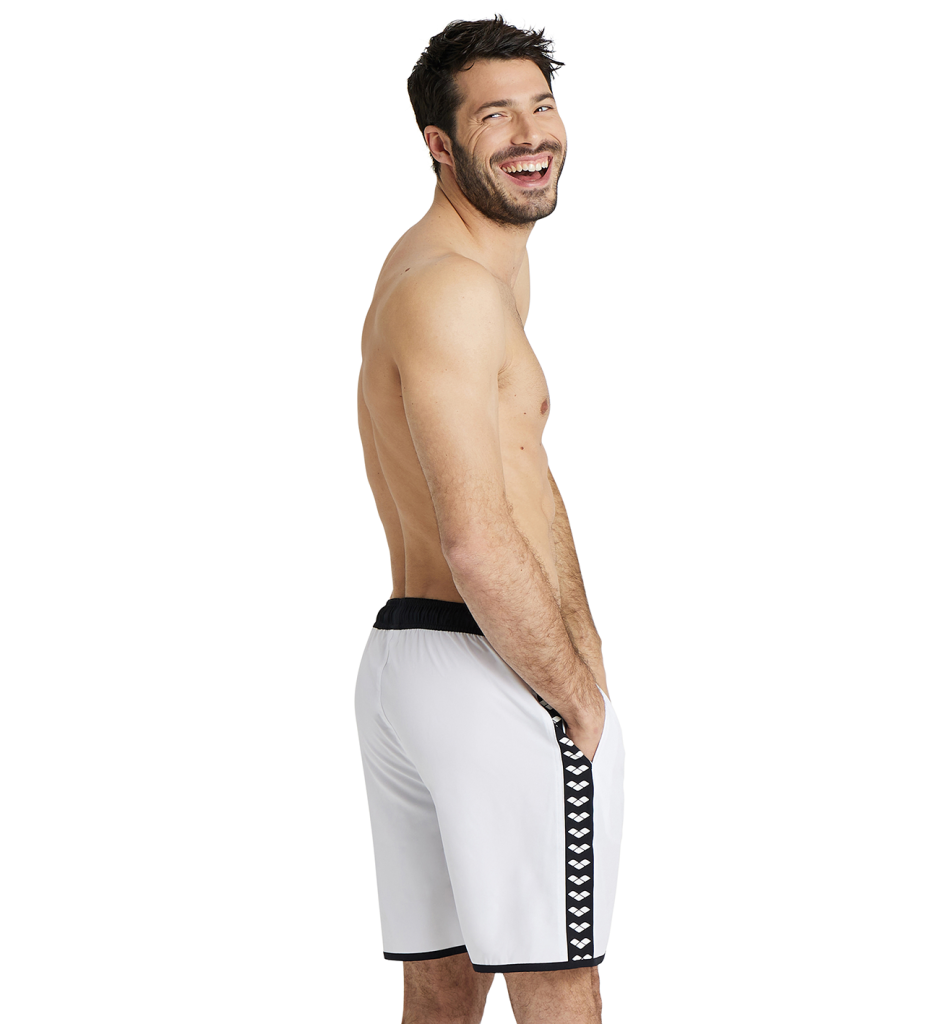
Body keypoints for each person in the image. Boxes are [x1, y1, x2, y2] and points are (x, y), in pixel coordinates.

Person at [355, 16, 625, 1024]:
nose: (530, 135)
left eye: (541, 106)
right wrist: (575, 694)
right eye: (494, 116)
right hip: (490, 669)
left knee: (442, 986)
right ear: (439, 144)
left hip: (412, 662)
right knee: (560, 984)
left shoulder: (458, 269)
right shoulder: (455, 292)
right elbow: (475, 535)